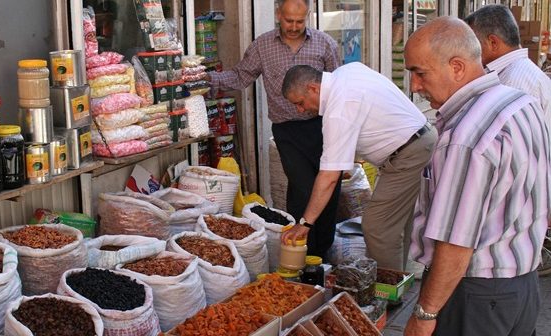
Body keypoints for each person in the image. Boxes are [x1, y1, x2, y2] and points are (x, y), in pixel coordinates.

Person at [404, 17, 548, 336]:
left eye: (419, 72)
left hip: (477, 294)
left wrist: (425, 313)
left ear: (457, 67)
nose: (414, 86)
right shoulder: (520, 103)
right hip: (522, 287)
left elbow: (456, 243)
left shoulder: (466, 137)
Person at [209, 0, 340, 257]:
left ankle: (323, 253)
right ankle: (301, 253)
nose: (293, 26)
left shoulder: (325, 44)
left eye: (300, 21)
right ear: (278, 14)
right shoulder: (263, 45)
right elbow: (240, 76)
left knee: (329, 189)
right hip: (287, 131)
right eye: (288, 20)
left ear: (308, 17)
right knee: (302, 187)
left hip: (323, 126)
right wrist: (207, 80)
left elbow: (339, 83)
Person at [279, 62, 437, 271]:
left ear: (313, 88)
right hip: (419, 143)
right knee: (397, 225)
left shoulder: (338, 107)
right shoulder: (348, 71)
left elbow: (329, 177)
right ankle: (397, 283)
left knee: (377, 227)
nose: (300, 110)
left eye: (299, 102)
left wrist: (305, 223)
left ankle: (385, 294)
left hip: (409, 153)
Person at [464, 4, 551, 122]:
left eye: (473, 43)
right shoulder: (520, 72)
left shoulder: (512, 83)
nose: (469, 50)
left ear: (493, 42)